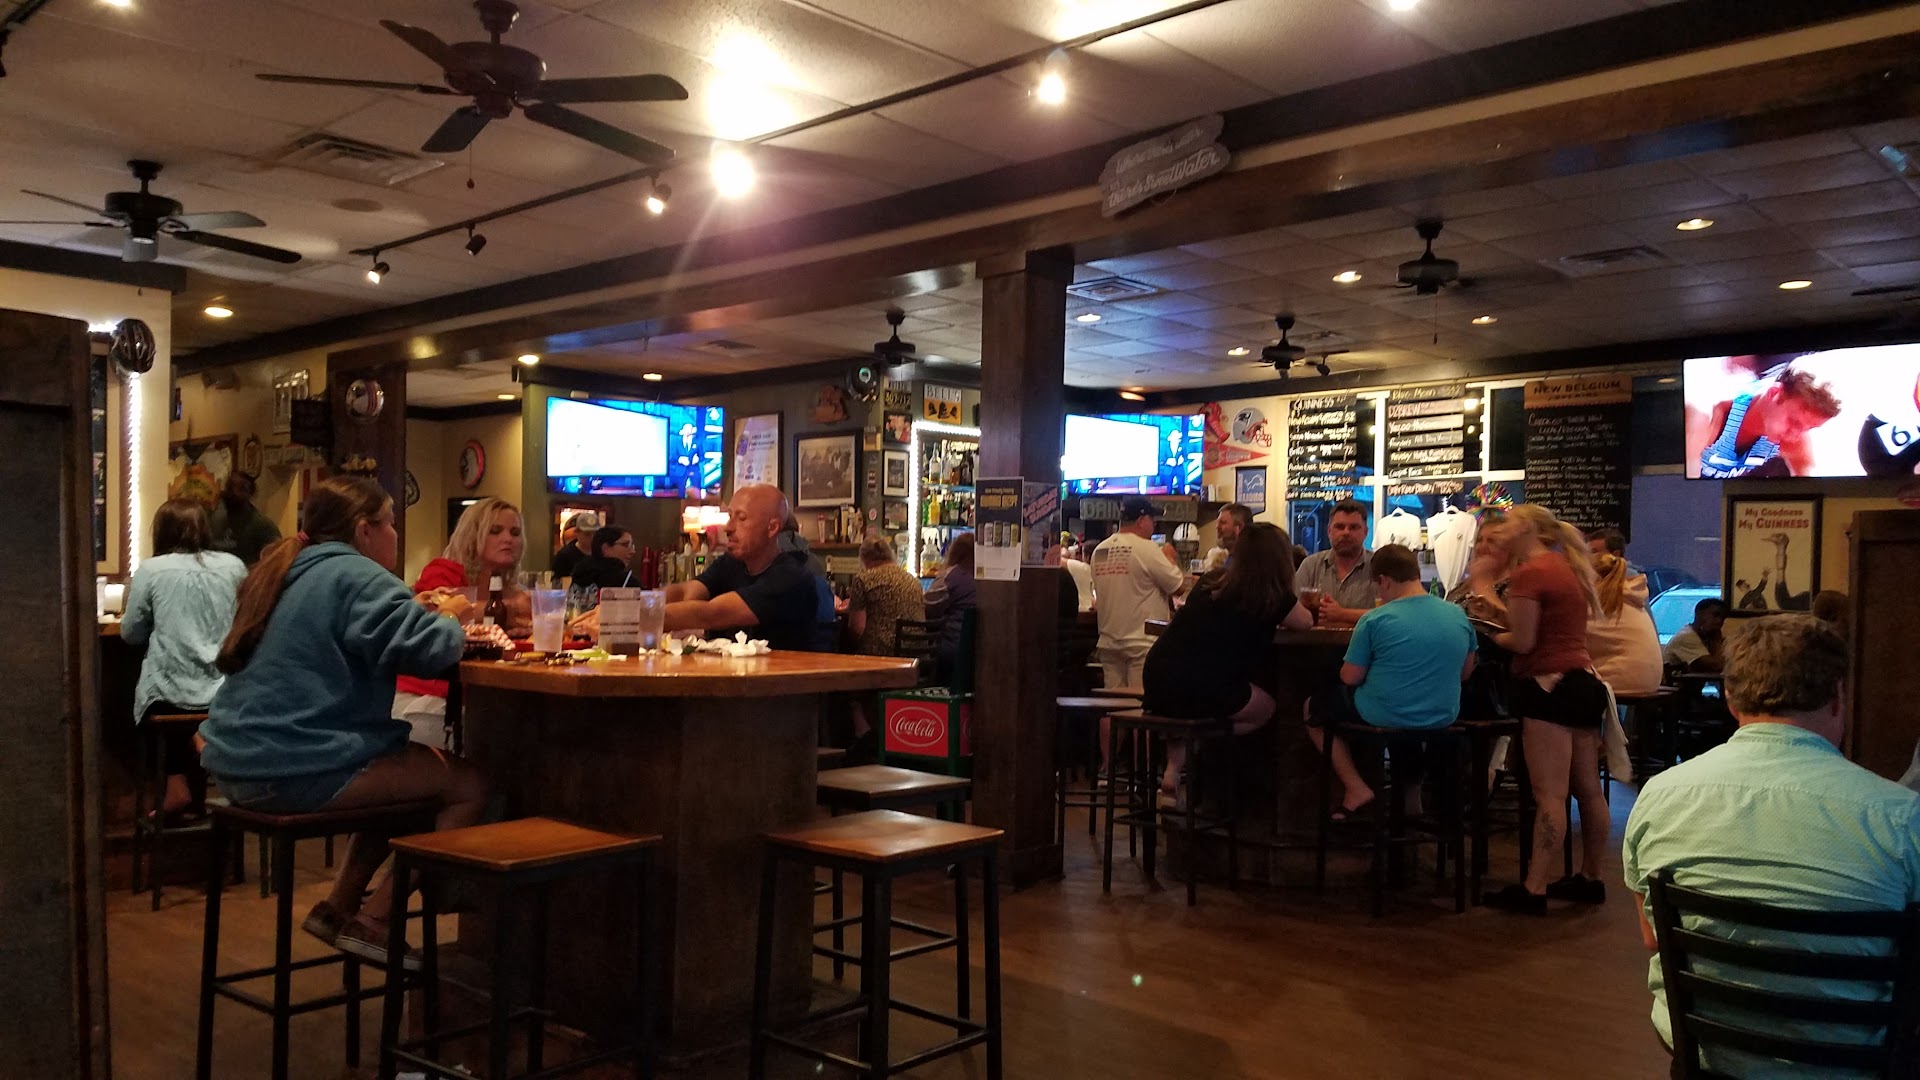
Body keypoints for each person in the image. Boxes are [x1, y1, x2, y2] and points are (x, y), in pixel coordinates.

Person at [200, 476, 489, 966]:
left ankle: (338, 908)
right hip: (293, 766)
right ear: (364, 529)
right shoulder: (358, 575)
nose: (396, 533)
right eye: (391, 522)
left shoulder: (287, 568)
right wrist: (451, 618)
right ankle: (375, 921)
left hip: (236, 764)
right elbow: (429, 650)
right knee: (469, 786)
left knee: (404, 779)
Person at [1623, 615, 1920, 1078]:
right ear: (1838, 697)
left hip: (1706, 1045)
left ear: (1730, 697)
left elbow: (1651, 935)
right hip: (1854, 1060)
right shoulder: (1902, 818)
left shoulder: (1660, 795)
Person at [1481, 503, 1609, 914]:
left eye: (1510, 521)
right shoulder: (1565, 567)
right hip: (1584, 682)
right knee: (1589, 790)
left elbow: (1522, 641)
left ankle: (1534, 888)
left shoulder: (1530, 573)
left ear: (1527, 529)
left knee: (1550, 794)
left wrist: (1488, 632)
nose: (1502, 527)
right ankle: (1591, 877)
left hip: (1547, 686)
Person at [1305, 544, 1477, 817]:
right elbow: (1465, 673)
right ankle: (1411, 801)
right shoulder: (1458, 615)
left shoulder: (1374, 619)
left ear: (1383, 581)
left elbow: (1350, 677)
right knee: (1408, 723)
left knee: (1313, 707)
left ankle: (1355, 787)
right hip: (1442, 715)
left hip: (1385, 714)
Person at [1143, 523, 1311, 801]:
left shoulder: (1211, 580)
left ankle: (1174, 771)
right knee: (1266, 708)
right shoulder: (1273, 594)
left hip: (1158, 679)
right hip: (1204, 685)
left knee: (1187, 712)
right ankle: (1201, 746)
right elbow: (1305, 622)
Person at [569, 483, 819, 651]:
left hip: (781, 696)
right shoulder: (731, 563)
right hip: (736, 684)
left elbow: (712, 613)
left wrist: (626, 616)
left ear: (772, 528)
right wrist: (627, 605)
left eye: (741, 518)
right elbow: (686, 592)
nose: (728, 527)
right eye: (730, 516)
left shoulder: (790, 577)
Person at [121, 499, 247, 816]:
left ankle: (176, 786)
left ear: (161, 532)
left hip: (169, 696)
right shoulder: (233, 566)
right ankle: (210, 759)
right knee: (201, 718)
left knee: (145, 702)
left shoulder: (151, 570)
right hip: (223, 695)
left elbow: (131, 633)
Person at [392, 497, 528, 746]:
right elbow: (442, 618)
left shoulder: (511, 588)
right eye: (495, 531)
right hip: (427, 695)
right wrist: (511, 609)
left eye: (515, 532)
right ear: (472, 535)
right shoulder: (443, 572)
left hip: (477, 696)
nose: (507, 539)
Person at [1091, 496, 1184, 692]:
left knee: (1113, 703)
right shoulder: (1147, 548)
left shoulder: (1099, 550)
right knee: (1138, 702)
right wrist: (1170, 558)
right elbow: (1178, 587)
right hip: (1142, 643)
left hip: (1108, 642)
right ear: (1141, 520)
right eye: (1152, 519)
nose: (1154, 525)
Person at [1695, 359, 1842, 478]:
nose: (1794, 436)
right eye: (1793, 421)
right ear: (1774, 393)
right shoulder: (1711, 412)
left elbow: (1809, 488)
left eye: (1808, 428)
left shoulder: (1795, 441)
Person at [1586, 544, 1663, 698]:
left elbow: (1574, 638)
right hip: (1648, 680)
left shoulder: (1601, 603)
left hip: (1624, 679)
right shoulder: (1629, 597)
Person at [1295, 499, 1377, 627]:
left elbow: (1389, 614)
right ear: (1329, 531)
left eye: (1354, 527)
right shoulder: (1311, 565)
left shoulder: (1378, 566)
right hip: (1315, 640)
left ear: (1365, 532)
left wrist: (1342, 614)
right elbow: (1291, 610)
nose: (1346, 532)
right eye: (1340, 527)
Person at [924, 531, 977, 679]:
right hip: (978, 651)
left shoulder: (950, 577)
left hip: (950, 651)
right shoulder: (985, 576)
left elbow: (928, 607)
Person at [206, 472, 281, 567]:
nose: (235, 492)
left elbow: (278, 557)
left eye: (241, 488)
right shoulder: (210, 517)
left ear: (250, 493)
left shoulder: (262, 525)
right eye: (231, 487)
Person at [1664, 598, 1728, 674]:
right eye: (1715, 615)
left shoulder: (1706, 636)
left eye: (1723, 618)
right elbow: (1717, 665)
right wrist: (1717, 639)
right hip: (1671, 681)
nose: (1719, 621)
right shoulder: (1687, 636)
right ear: (1699, 614)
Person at [572, 526, 636, 591]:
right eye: (625, 545)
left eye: (632, 546)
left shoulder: (579, 575)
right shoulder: (627, 583)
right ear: (605, 548)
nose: (632, 551)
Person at [1201, 502, 1253, 572]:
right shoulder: (1231, 558)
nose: (1217, 527)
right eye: (1217, 523)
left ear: (1239, 527)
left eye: (1223, 522)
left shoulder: (1246, 561)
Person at [550, 511, 599, 581]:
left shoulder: (602, 553)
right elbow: (557, 582)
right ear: (576, 532)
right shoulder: (564, 555)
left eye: (595, 534)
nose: (592, 538)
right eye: (587, 534)